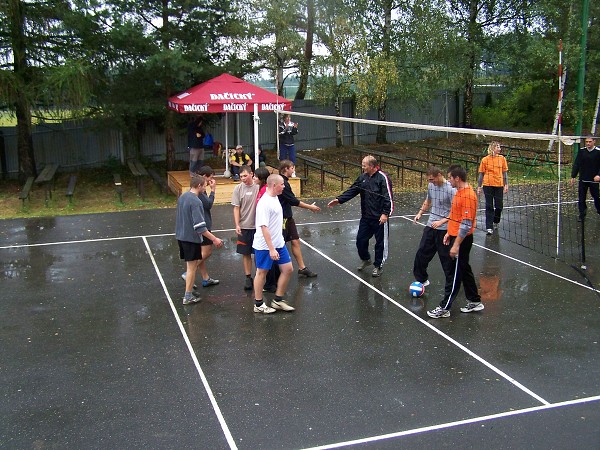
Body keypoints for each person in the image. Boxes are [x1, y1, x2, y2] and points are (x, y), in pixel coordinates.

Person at [427, 165, 483, 319]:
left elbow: (466, 224)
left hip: (462, 240)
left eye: (450, 177)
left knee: (454, 274)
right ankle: (475, 300)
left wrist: (456, 244)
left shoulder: (468, 196)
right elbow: (454, 215)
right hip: (454, 236)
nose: (449, 180)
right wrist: (449, 233)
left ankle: (444, 307)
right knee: (464, 269)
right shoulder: (459, 192)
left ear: (457, 178)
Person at [327, 155, 393, 277]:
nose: (362, 167)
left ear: (372, 166)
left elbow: (388, 197)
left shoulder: (383, 178)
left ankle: (378, 266)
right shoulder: (363, 177)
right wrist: (339, 200)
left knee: (380, 244)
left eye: (364, 165)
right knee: (360, 240)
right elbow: (353, 190)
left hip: (380, 218)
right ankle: (366, 259)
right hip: (366, 217)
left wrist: (385, 214)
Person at [175, 175, 223, 305]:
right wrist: (214, 239)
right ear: (199, 186)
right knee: (191, 268)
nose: (205, 188)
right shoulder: (196, 202)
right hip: (190, 239)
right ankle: (188, 296)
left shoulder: (183, 197)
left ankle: (190, 291)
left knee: (191, 265)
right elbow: (200, 227)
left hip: (181, 236)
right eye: (204, 186)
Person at [252, 174, 295, 314]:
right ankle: (258, 304)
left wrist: (277, 244)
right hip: (265, 246)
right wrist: (271, 249)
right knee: (261, 273)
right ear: (274, 185)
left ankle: (277, 300)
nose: (284, 186)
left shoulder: (275, 197)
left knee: (288, 269)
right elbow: (263, 227)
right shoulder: (264, 203)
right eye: (282, 184)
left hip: (278, 243)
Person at [412, 166, 455, 287]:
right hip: (431, 225)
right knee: (421, 254)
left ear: (439, 175)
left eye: (432, 179)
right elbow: (428, 201)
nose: (431, 182)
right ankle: (421, 279)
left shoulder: (451, 189)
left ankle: (453, 283)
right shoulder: (431, 186)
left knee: (447, 259)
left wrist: (442, 221)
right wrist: (420, 213)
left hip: (445, 229)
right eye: (429, 180)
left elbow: (455, 211)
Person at [279, 160, 320, 278]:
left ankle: (302, 268)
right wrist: (310, 207)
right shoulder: (282, 183)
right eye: (292, 168)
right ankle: (276, 271)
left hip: (288, 217)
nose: (293, 170)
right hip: (281, 219)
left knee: (295, 241)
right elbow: (293, 201)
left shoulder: (285, 182)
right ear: (286, 169)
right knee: (279, 244)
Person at [180, 166, 220, 288]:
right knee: (207, 252)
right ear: (204, 177)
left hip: (198, 225)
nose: (211, 181)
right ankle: (188, 273)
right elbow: (208, 204)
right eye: (210, 178)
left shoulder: (190, 193)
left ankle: (205, 278)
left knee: (200, 253)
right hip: (203, 225)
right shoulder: (199, 193)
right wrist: (213, 190)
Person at [232, 165, 260, 290]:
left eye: (245, 175)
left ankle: (260, 275)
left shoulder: (259, 187)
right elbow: (236, 208)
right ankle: (248, 277)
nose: (243, 178)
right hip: (244, 226)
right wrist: (237, 224)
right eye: (241, 176)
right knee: (246, 253)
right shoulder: (238, 189)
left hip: (258, 227)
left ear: (251, 174)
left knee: (259, 253)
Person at [254, 167, 279, 293]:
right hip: (263, 229)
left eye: (255, 176)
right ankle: (272, 282)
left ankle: (271, 284)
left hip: (266, 233)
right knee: (270, 261)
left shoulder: (266, 191)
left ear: (261, 178)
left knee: (266, 263)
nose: (254, 178)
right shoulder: (261, 189)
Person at [477, 141, 508, 235]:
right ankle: (489, 227)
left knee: (499, 206)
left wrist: (506, 184)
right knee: (489, 206)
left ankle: (496, 220)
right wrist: (479, 186)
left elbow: (504, 173)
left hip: (499, 185)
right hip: (488, 185)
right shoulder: (485, 160)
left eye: (499, 147)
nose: (500, 149)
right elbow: (481, 174)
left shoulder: (502, 159)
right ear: (493, 148)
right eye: (498, 147)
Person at [570, 136, 600, 222]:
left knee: (596, 197)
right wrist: (573, 176)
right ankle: (582, 214)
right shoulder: (582, 151)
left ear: (594, 141)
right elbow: (577, 164)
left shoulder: (598, 152)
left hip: (594, 180)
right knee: (581, 198)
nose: (588, 143)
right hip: (583, 179)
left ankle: (599, 210)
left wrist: (599, 175)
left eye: (590, 141)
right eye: (586, 142)